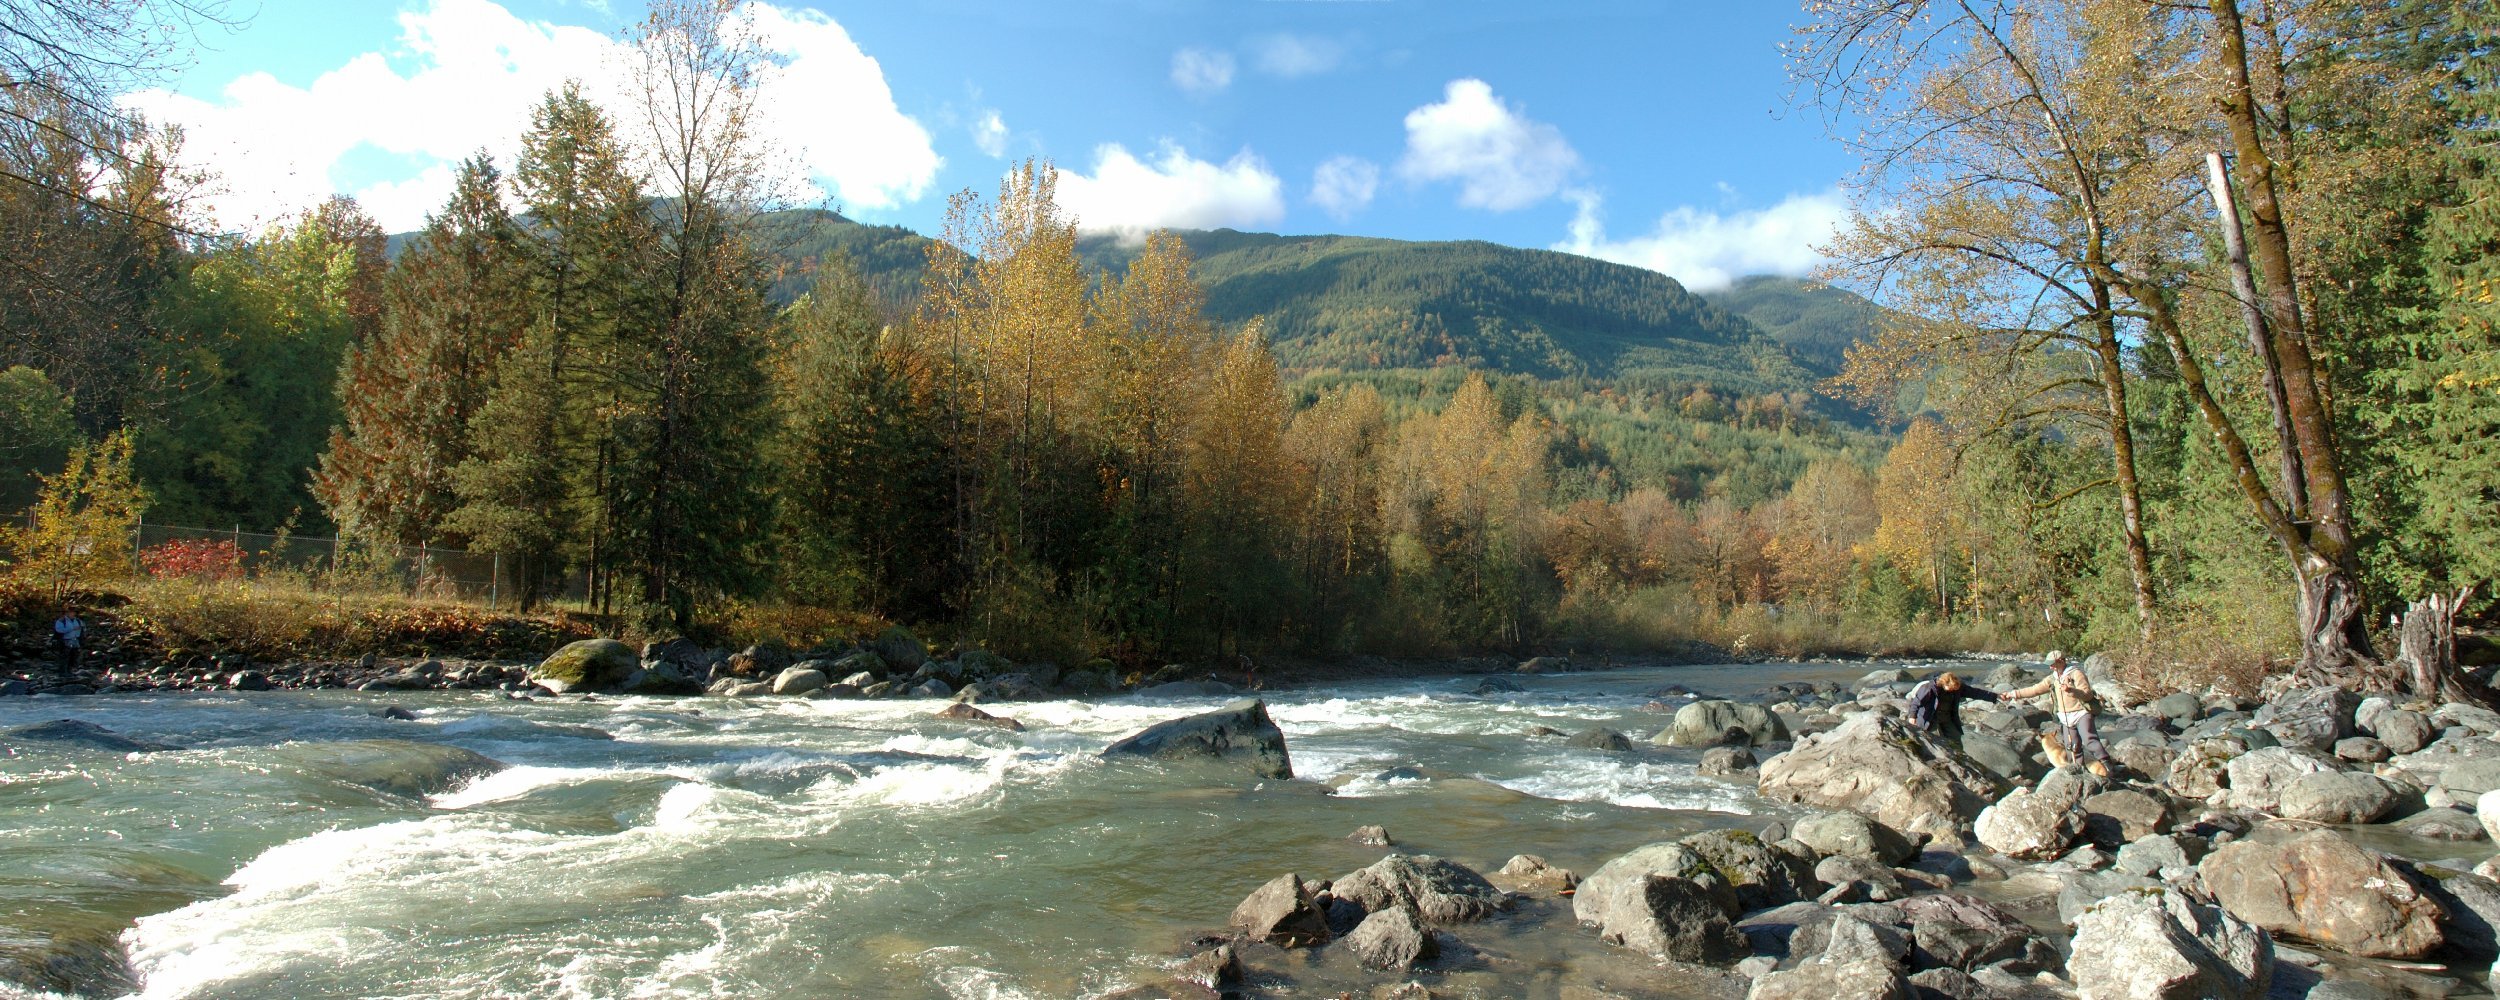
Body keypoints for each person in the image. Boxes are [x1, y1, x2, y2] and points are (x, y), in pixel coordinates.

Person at [2004, 650, 2112, 778]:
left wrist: (2071, 690)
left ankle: (2108, 766)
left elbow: (2087, 694)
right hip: (2065, 717)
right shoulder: (2052, 678)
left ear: (2061, 661)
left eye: (2052, 664)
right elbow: (2035, 689)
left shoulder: (2076, 674)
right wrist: (2013, 694)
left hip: (2081, 713)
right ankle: (2079, 771)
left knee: (2090, 740)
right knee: (2071, 746)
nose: (2050, 667)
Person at [1905, 671, 1999, 747]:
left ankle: (1961, 760)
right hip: (1930, 719)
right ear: (1943, 683)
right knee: (1936, 742)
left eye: (1955, 689)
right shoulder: (1928, 688)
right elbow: (1916, 703)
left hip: (1947, 718)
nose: (1953, 690)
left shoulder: (1957, 687)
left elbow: (1975, 692)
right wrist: (1912, 717)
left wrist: (1995, 697)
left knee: (1956, 740)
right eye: (1951, 688)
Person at [51, 605, 85, 676]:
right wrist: (72, 629)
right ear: (67, 613)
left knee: (73, 657)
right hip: (64, 641)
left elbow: (82, 630)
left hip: (75, 641)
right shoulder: (61, 621)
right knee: (64, 657)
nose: (73, 614)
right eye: (71, 612)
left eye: (74, 612)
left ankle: (69, 670)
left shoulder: (78, 621)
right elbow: (59, 630)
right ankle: (62, 672)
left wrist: (81, 638)